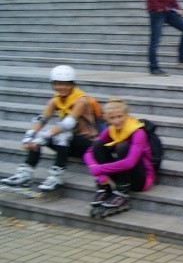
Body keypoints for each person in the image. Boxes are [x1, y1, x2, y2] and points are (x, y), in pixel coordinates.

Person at [1, 65, 100, 193]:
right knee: (37, 136)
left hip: (88, 144)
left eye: (66, 84)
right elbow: (41, 119)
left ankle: (56, 175)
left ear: (72, 84)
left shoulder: (81, 100)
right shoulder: (56, 100)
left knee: (60, 134)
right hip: (68, 143)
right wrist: (29, 136)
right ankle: (25, 174)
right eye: (58, 84)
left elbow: (68, 123)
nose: (62, 87)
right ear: (53, 84)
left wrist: (45, 137)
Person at [83, 98, 156, 216]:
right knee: (98, 144)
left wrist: (99, 169)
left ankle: (122, 191)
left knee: (122, 147)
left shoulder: (138, 132)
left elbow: (130, 162)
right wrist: (97, 171)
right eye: (112, 118)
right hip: (122, 173)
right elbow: (88, 153)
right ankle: (105, 187)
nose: (116, 121)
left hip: (141, 179)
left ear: (126, 115)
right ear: (106, 118)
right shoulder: (110, 130)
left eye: (120, 116)